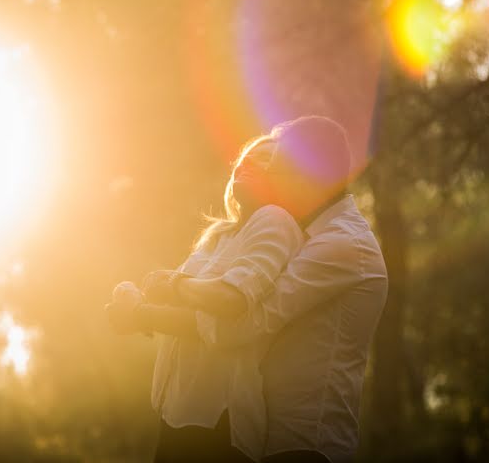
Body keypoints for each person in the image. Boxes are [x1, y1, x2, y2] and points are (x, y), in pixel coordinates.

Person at [110, 116, 388, 463]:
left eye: (282, 166)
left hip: (306, 444)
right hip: (272, 438)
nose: (271, 175)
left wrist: (163, 299)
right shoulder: (307, 234)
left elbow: (245, 322)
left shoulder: (341, 244)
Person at [107, 132, 304, 462]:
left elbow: (229, 304)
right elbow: (188, 304)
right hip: (178, 409)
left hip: (218, 418)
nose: (248, 163)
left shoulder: (275, 220)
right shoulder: (219, 235)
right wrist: (136, 307)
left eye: (266, 160)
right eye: (245, 158)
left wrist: (151, 305)